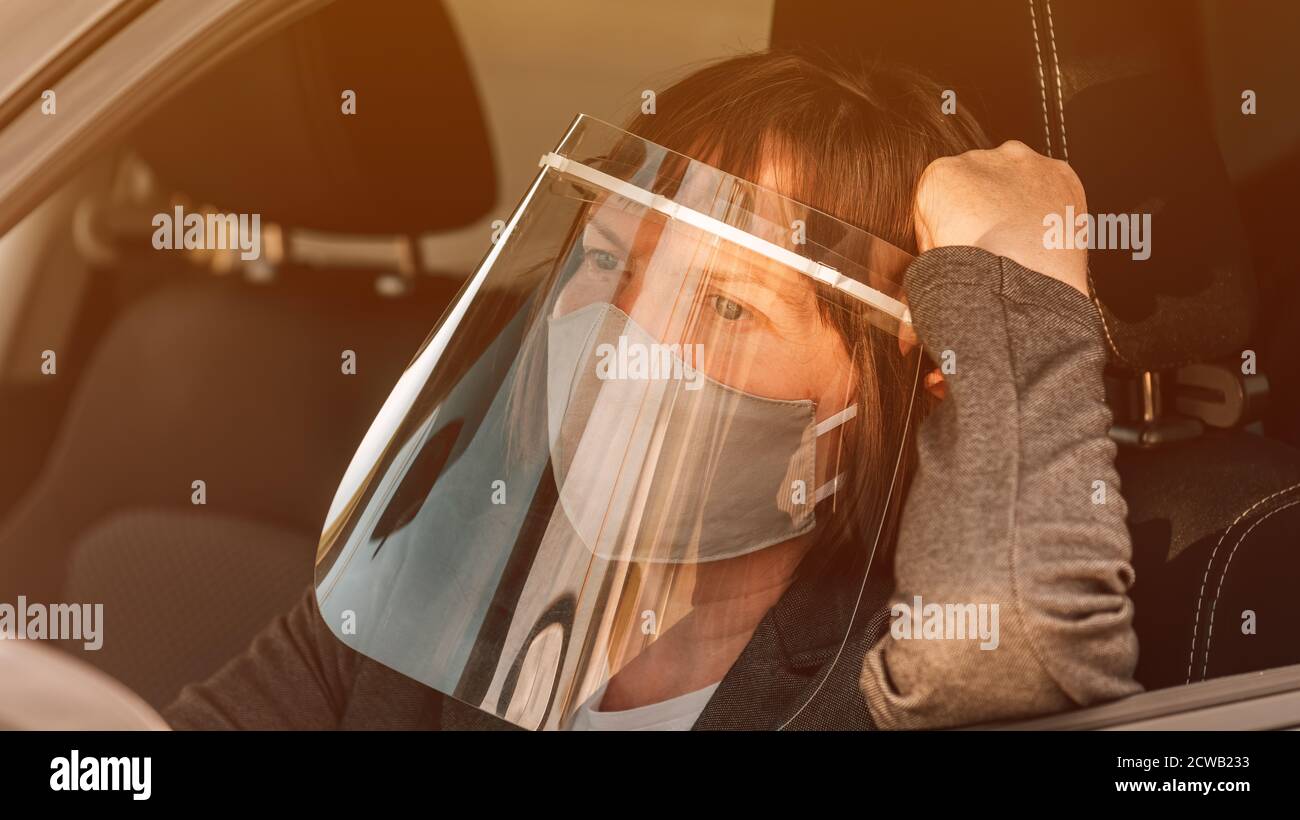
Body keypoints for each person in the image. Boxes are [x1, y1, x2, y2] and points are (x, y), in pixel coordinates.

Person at [164, 51, 1140, 731]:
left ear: (898, 381)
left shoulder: (882, 680)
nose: (618, 338)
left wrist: (1017, 285)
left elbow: (1022, 642)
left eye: (722, 304)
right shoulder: (435, 582)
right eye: (603, 258)